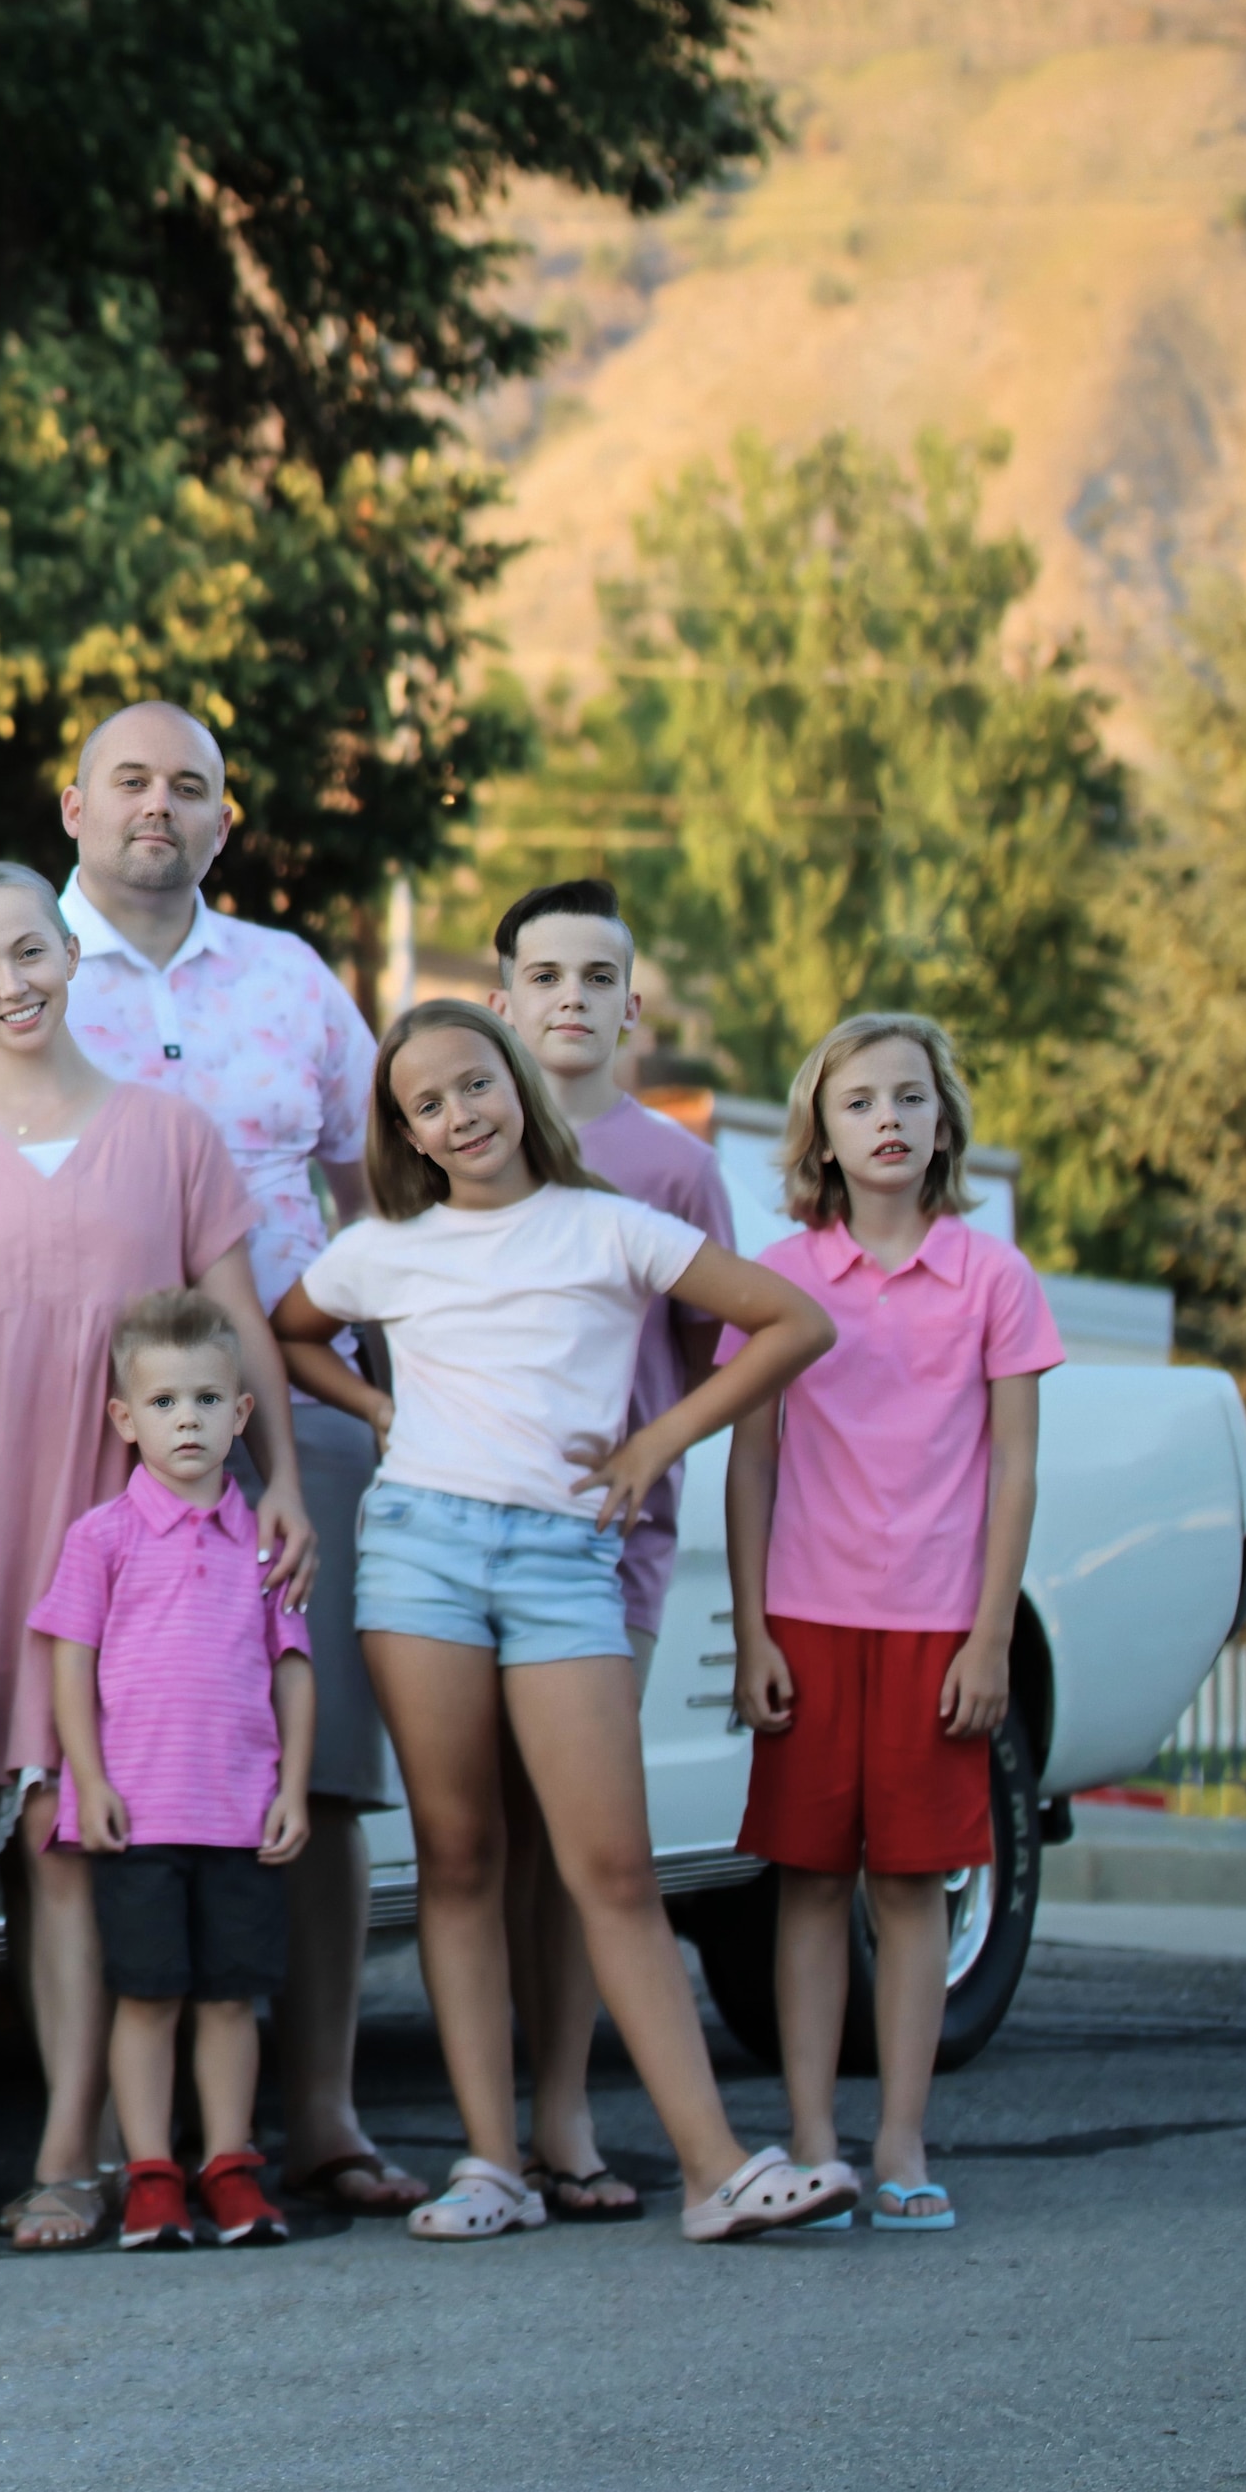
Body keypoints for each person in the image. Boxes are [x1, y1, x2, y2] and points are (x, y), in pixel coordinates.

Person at [0, 701, 413, 2219]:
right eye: (130, 782)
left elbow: (367, 1201)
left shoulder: (289, 989)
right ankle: (98, 2145)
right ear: (74, 807)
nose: (159, 808)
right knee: (66, 1808)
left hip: (251, 1440)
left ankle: (313, 2119)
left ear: (226, 816)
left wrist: (331, 1428)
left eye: (191, 787)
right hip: (22, 1471)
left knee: (312, 1777)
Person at [272, 999, 847, 2246]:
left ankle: (713, 2172)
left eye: (472, 1085)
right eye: (424, 1105)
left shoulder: (611, 1226)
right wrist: (377, 1416)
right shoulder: (384, 1248)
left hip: (563, 1566)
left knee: (611, 1871)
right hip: (418, 1558)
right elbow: (288, 1335)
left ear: (514, 1082)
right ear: (406, 1134)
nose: (456, 1116)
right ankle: (487, 2166)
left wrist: (653, 1440)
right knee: (460, 1859)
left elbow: (794, 1323)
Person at [0, 860, 306, 2252]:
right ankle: (80, 2151)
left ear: (70, 956)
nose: (9, 983)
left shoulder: (173, 1136)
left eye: (28, 951)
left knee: (110, 1840)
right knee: (47, 1847)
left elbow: (237, 1326)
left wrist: (281, 1479)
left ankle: (142, 2154)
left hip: (163, 1559)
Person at [725, 1011, 1059, 2238]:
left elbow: (1013, 1471)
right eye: (859, 1100)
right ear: (819, 1125)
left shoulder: (992, 1278)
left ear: (941, 1123)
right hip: (806, 1624)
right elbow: (748, 1464)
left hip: (935, 1632)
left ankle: (902, 2141)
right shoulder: (780, 1279)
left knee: (910, 1890)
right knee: (808, 1886)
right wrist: (753, 1630)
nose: (886, 1122)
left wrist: (985, 1639)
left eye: (909, 1099)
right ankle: (814, 2145)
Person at [485, 875, 739, 2218]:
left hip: (611, 1557)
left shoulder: (673, 1167)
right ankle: (492, 2121)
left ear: (632, 1004)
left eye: (597, 979)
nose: (570, 1000)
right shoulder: (458, 1149)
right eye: (546, 976)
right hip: (467, 1547)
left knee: (588, 1841)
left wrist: (650, 1455)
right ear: (503, 998)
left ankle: (568, 2115)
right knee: (492, 1842)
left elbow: (716, 1361)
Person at [32, 1291, 314, 2255]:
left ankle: (230, 2166)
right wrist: (90, 1780)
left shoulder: (263, 1540)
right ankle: (151, 2174)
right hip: (139, 1814)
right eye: (162, 1403)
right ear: (125, 1419)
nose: (185, 1419)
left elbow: (292, 1668)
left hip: (239, 1812)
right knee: (146, 1995)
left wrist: (294, 1787)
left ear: (241, 1414)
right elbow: (70, 1659)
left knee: (231, 1996)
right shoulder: (101, 1536)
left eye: (205, 1400)